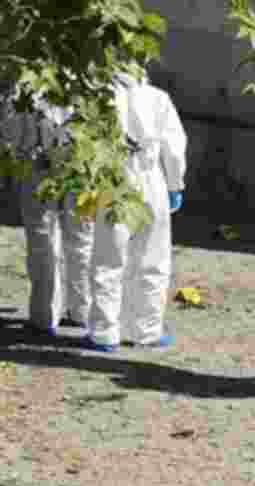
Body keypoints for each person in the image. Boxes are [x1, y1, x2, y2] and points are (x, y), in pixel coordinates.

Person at [83, 72, 186, 352]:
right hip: (152, 179)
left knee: (108, 259)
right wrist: (176, 184)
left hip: (113, 180)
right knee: (152, 259)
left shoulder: (97, 98)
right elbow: (174, 149)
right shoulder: (158, 98)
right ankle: (147, 331)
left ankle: (104, 333)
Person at [0, 87, 95, 336]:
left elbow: (9, 132)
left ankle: (46, 316)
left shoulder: (24, 87)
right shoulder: (92, 80)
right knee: (79, 240)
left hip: (44, 170)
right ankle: (79, 312)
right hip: (78, 169)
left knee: (45, 241)